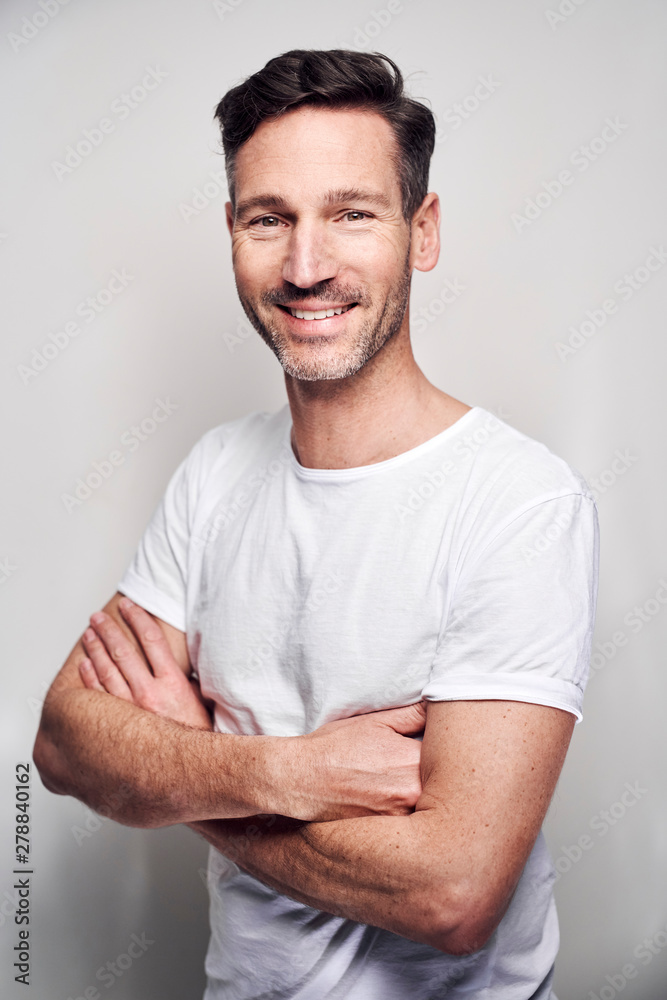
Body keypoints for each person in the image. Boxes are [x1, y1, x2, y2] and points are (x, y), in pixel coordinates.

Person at [33, 49, 599, 999]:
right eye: (269, 220)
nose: (306, 266)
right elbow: (62, 745)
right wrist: (285, 773)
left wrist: (192, 776)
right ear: (231, 234)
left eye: (351, 213)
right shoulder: (215, 472)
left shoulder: (518, 505)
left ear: (421, 231)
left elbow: (452, 899)